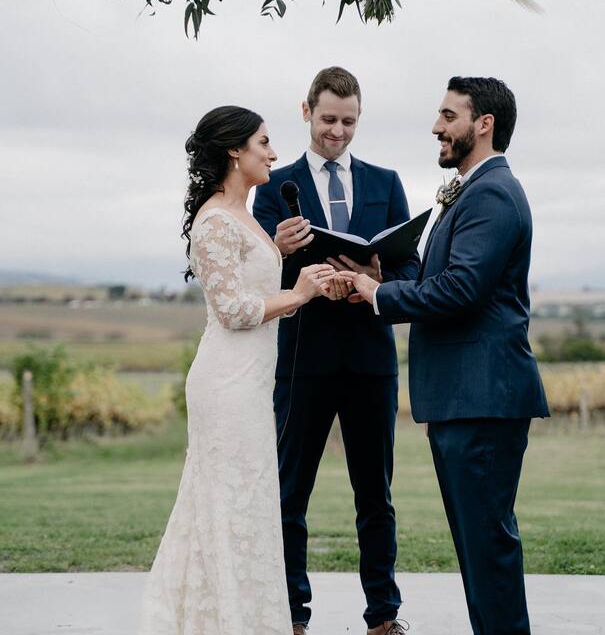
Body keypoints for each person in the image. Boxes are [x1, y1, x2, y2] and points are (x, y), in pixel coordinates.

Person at [343, 77, 550, 635]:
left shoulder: (491, 193)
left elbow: (462, 289)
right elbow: (450, 280)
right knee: (478, 547)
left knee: (488, 548)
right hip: (464, 399)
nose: (437, 127)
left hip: (482, 398)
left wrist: (377, 296)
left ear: (483, 124)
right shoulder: (472, 190)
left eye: (448, 115)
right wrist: (381, 276)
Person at [138, 106, 336, 635]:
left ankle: (242, 617)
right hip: (225, 382)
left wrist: (278, 250)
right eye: (264, 143)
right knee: (226, 503)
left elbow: (249, 283)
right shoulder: (215, 220)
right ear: (234, 151)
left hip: (250, 381)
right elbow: (234, 310)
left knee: (246, 504)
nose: (273, 154)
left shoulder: (244, 216)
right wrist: (297, 293)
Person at [253, 67, 420, 635]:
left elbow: (410, 266)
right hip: (301, 358)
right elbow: (253, 271)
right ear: (306, 112)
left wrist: (377, 273)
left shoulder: (387, 181)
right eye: (328, 120)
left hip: (370, 358)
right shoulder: (275, 186)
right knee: (289, 492)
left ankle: (383, 617)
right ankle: (291, 615)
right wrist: (276, 246)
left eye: (348, 122)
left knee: (376, 493)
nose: (338, 132)